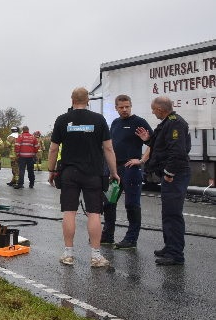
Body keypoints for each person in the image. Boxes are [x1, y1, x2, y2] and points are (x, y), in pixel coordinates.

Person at [47, 87, 119, 267]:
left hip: (69, 173)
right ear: (88, 101)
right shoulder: (98, 120)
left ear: (72, 100)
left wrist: (51, 170)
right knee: (94, 214)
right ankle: (95, 256)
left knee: (69, 212)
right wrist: (114, 172)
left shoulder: (62, 120)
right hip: (93, 173)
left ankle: (68, 254)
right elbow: (108, 149)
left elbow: (53, 148)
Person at [135, 96, 191, 266]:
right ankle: (170, 246)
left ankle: (176, 254)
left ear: (160, 109)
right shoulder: (167, 123)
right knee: (167, 213)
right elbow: (161, 145)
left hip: (176, 175)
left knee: (173, 214)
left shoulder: (175, 123)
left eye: (153, 109)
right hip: (171, 175)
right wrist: (147, 140)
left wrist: (169, 172)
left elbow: (178, 151)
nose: (152, 112)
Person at [100, 95, 153, 249]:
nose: (124, 110)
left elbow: (154, 143)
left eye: (127, 107)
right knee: (109, 203)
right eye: (121, 107)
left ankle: (131, 239)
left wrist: (142, 160)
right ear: (116, 108)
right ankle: (108, 236)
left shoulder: (139, 122)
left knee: (131, 204)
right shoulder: (115, 123)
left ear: (131, 106)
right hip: (114, 170)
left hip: (131, 169)